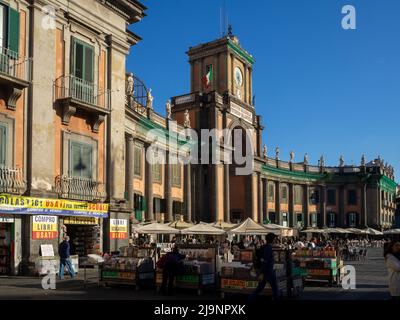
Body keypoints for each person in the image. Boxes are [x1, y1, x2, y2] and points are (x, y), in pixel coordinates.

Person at [248, 233, 279, 302]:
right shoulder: (268, 248)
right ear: (272, 239)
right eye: (274, 239)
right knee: (275, 288)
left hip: (265, 271)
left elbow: (263, 259)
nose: (275, 240)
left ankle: (250, 299)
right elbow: (265, 260)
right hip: (269, 271)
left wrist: (261, 271)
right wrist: (261, 271)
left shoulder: (265, 247)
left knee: (260, 288)